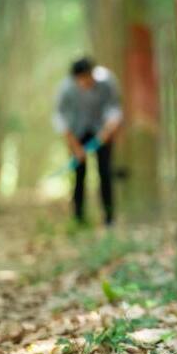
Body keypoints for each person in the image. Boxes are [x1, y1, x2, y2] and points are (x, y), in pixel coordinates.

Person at [53, 57, 123, 227]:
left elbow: (114, 108)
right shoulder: (65, 89)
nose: (85, 82)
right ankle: (78, 217)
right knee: (79, 174)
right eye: (81, 79)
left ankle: (109, 217)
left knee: (105, 173)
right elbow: (60, 118)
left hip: (102, 131)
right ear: (74, 78)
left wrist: (109, 129)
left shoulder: (106, 82)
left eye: (88, 78)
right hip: (77, 133)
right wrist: (75, 146)